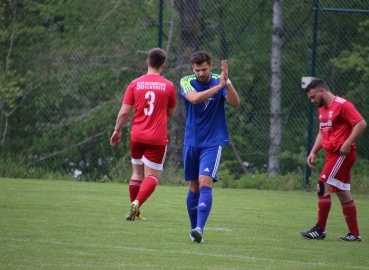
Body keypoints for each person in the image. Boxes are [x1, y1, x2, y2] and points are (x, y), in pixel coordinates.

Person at [180, 51, 240, 243]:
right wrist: (218, 87)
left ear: (211, 66)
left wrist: (226, 83)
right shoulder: (186, 80)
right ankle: (193, 230)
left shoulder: (220, 79)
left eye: (204, 69)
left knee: (205, 182)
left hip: (212, 142)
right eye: (197, 70)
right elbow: (194, 98)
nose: (201, 74)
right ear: (193, 69)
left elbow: (235, 102)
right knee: (193, 186)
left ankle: (200, 228)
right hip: (191, 141)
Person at [110, 48, 176, 221]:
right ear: (163, 65)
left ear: (147, 62)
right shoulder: (169, 85)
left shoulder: (134, 84)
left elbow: (124, 112)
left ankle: (135, 210)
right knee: (151, 176)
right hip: (157, 138)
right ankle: (137, 203)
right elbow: (170, 112)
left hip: (137, 136)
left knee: (137, 174)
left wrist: (117, 130)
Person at [300, 78, 366, 241]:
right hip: (332, 154)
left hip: (341, 154)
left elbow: (361, 123)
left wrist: (348, 142)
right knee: (343, 194)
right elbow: (322, 132)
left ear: (322, 91)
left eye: (313, 97)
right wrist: (313, 151)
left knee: (322, 186)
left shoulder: (343, 105)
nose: (312, 101)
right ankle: (354, 234)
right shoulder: (322, 109)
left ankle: (320, 230)